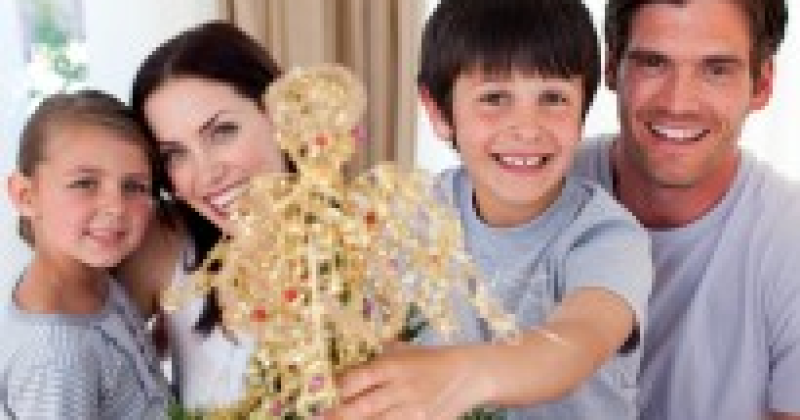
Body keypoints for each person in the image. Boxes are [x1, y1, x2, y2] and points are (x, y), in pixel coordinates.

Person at [328, 0, 653, 418]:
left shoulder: (606, 236)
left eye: (553, 98)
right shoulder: (410, 215)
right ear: (438, 112)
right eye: (495, 97)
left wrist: (462, 375)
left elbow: (579, 341)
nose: (527, 128)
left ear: (583, 112)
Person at [571, 0, 800, 419]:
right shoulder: (531, 191)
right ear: (611, 66)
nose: (678, 103)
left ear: (763, 84)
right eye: (653, 63)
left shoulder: (790, 239)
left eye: (716, 70)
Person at [121, 21, 290, 411]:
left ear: (279, 112)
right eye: (174, 154)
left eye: (222, 131)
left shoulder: (377, 238)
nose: (207, 175)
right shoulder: (165, 247)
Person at [1, 90, 169, 419]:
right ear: (25, 196)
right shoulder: (54, 360)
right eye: (85, 183)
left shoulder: (92, 279)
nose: (116, 207)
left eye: (134, 186)